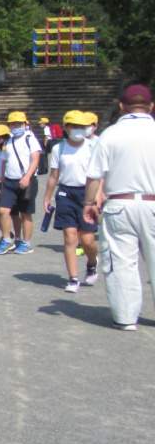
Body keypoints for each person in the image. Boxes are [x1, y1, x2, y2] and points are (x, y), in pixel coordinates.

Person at [84, 84, 155, 331]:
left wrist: (89, 204)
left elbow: (94, 175)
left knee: (121, 262)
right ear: (151, 106)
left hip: (119, 203)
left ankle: (125, 317)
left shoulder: (110, 134)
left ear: (122, 107)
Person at [42, 110, 99, 293]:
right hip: (66, 193)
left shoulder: (94, 146)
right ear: (65, 127)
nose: (77, 129)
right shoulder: (59, 148)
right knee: (70, 237)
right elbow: (54, 175)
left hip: (87, 194)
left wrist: (98, 196)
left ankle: (92, 262)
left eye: (81, 126)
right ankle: (73, 278)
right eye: (73, 126)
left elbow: (101, 175)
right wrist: (47, 198)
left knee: (87, 240)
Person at [0, 110, 42, 255]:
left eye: (19, 124)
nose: (16, 127)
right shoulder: (8, 142)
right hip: (9, 182)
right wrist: (2, 182)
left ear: (25, 124)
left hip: (26, 182)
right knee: (3, 211)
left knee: (25, 213)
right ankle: (7, 240)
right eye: (13, 124)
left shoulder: (30, 139)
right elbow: (5, 162)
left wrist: (27, 176)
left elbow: (35, 159)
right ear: (9, 126)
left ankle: (26, 243)